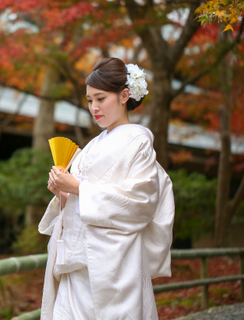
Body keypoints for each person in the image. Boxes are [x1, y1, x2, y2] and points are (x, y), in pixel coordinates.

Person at [39, 57, 175, 320]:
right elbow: (78, 199)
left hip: (114, 260)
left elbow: (141, 201)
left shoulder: (139, 141)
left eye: (101, 99)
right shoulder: (92, 145)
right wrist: (64, 194)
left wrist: (78, 187)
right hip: (76, 258)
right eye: (90, 100)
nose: (94, 107)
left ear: (125, 95)